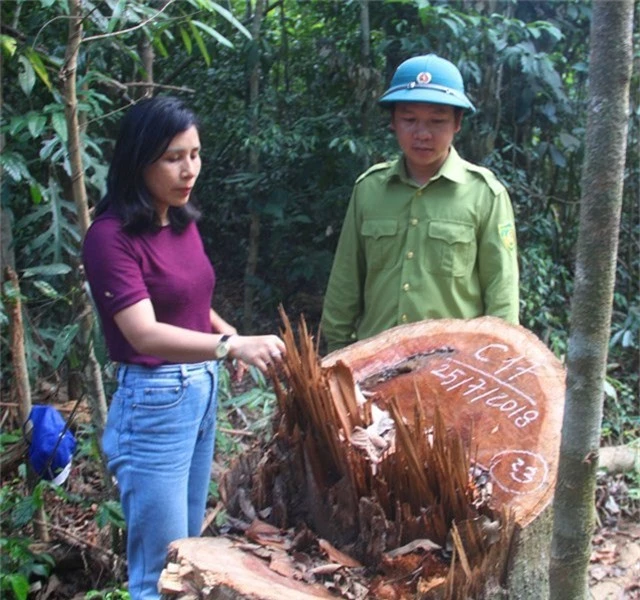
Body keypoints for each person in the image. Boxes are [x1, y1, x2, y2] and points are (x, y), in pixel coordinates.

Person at [82, 96, 286, 600]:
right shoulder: (110, 238)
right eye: (174, 157)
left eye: (195, 154)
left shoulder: (179, 219)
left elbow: (192, 298)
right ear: (139, 159)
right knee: (159, 568)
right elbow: (144, 333)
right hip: (154, 400)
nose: (189, 169)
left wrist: (225, 331)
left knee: (187, 555)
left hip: (198, 390)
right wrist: (229, 346)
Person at [321, 54, 519, 353]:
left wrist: (497, 359)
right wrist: (338, 352)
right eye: (409, 119)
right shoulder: (369, 189)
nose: (422, 134)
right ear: (393, 122)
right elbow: (345, 280)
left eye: (437, 121)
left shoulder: (485, 194)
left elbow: (501, 294)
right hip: (376, 363)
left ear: (457, 123)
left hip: (453, 371)